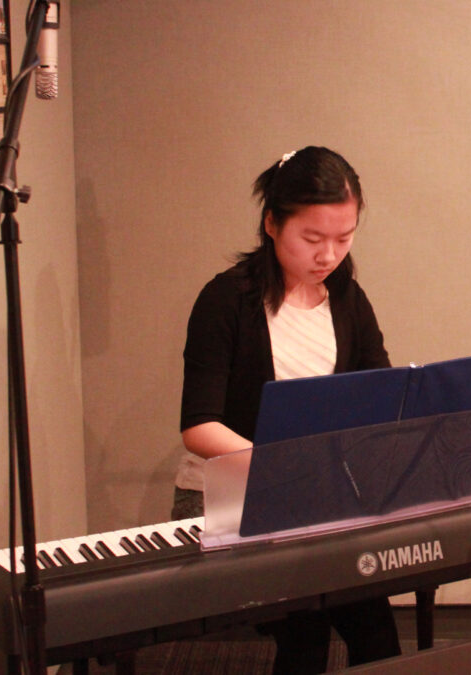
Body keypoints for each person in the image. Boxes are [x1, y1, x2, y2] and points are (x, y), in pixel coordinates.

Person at [177, 146, 401, 673]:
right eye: (313, 239)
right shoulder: (227, 300)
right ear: (272, 223)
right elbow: (199, 426)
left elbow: (381, 393)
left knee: (377, 633)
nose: (328, 255)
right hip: (233, 497)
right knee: (306, 629)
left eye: (343, 239)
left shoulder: (347, 299)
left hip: (319, 503)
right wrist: (286, 469)